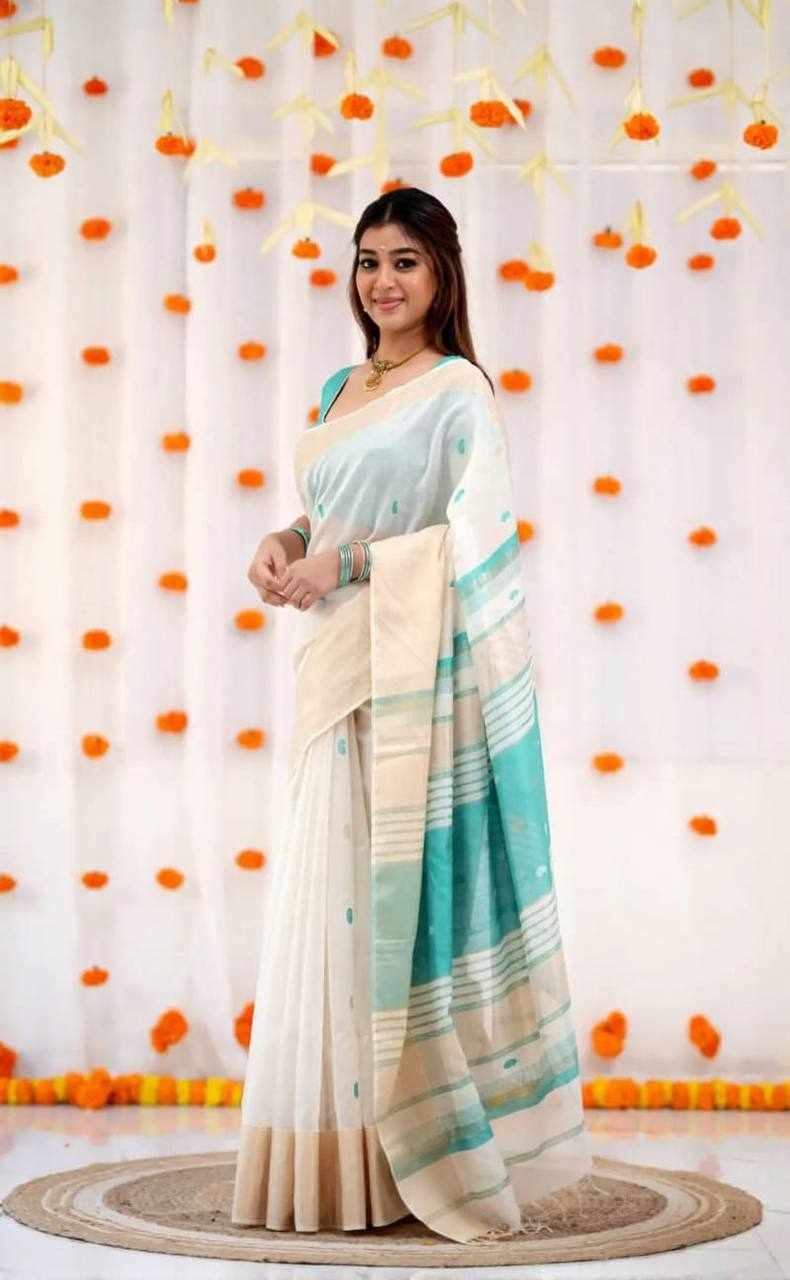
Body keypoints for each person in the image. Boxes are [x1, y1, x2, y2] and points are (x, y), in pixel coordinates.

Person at [230, 187, 594, 1242]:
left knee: (388, 903)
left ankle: (407, 1160)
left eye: (404, 261)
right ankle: (332, 1160)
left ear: (441, 273)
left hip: (406, 678)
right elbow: (326, 511)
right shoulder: (342, 385)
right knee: (330, 901)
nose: (382, 281)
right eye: (367, 260)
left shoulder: (458, 390)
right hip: (333, 661)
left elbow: (473, 541)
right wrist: (286, 540)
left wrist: (346, 562)